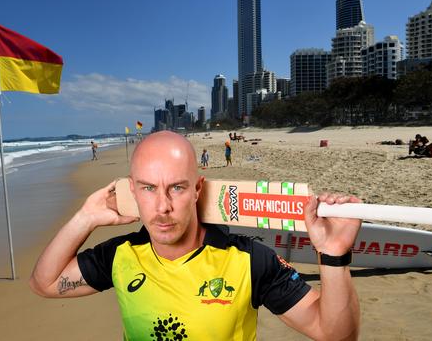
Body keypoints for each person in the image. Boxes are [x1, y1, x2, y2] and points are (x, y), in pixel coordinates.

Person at [30, 131, 361, 340]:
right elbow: (45, 283)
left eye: (176, 187)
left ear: (197, 189)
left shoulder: (247, 261)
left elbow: (335, 334)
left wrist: (333, 256)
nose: (162, 207)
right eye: (148, 188)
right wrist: (85, 217)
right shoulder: (121, 255)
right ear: (132, 191)